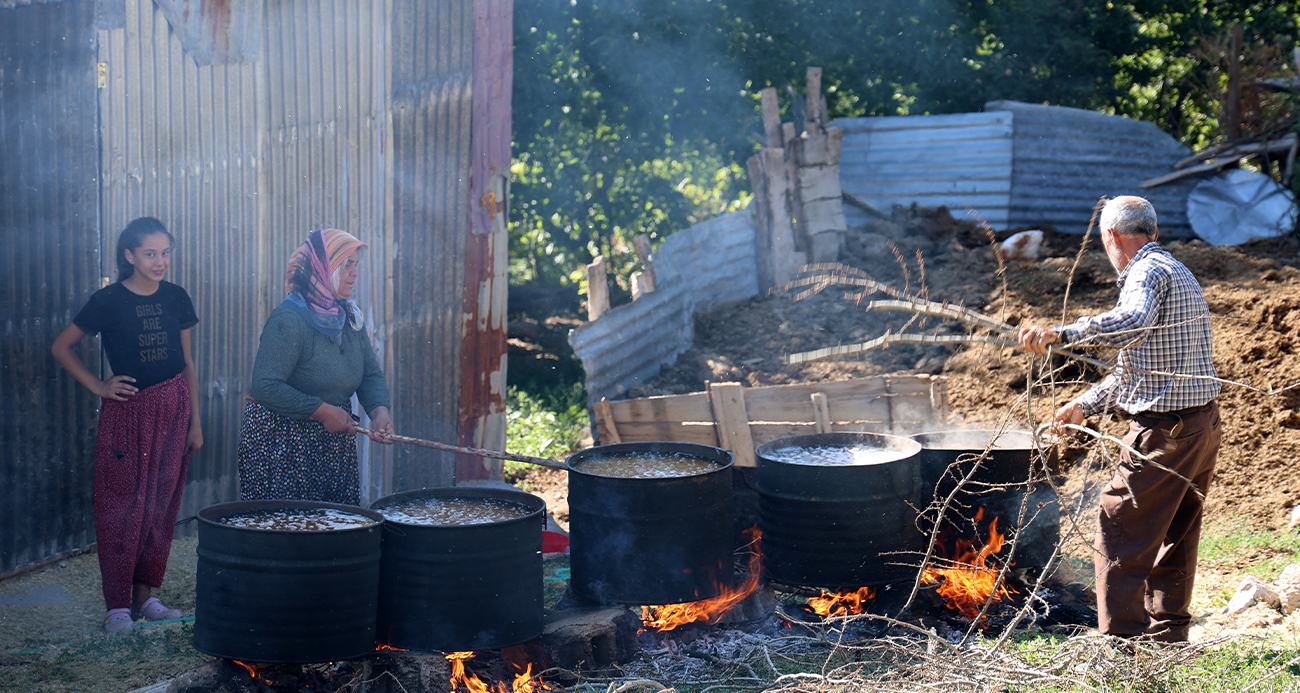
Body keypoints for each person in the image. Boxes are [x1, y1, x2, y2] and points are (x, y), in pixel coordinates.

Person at [1018, 195, 1222, 644]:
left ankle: (1121, 645)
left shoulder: (1146, 272)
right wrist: (1085, 405)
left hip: (1166, 432)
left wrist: (1064, 333)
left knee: (1117, 523)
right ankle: (1167, 637)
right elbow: (1138, 369)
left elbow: (1132, 320)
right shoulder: (1173, 269)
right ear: (1154, 231)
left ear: (1110, 235)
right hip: (1200, 427)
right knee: (1175, 533)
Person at [51, 217, 202, 633]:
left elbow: (187, 363)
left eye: (165, 253)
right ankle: (117, 607)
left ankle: (145, 598)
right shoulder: (108, 301)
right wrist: (99, 385)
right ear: (129, 255)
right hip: (129, 414)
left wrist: (195, 423)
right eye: (150, 254)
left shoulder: (176, 297)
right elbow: (61, 346)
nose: (160, 262)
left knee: (160, 506)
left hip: (174, 411)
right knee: (122, 506)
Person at [238, 228, 394, 506]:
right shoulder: (289, 320)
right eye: (347, 264)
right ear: (322, 268)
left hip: (331, 443)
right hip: (283, 445)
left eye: (356, 264)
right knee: (293, 527)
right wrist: (323, 412)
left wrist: (380, 412)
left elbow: (369, 373)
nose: (355, 273)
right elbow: (265, 386)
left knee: (335, 525)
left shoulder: (348, 316)